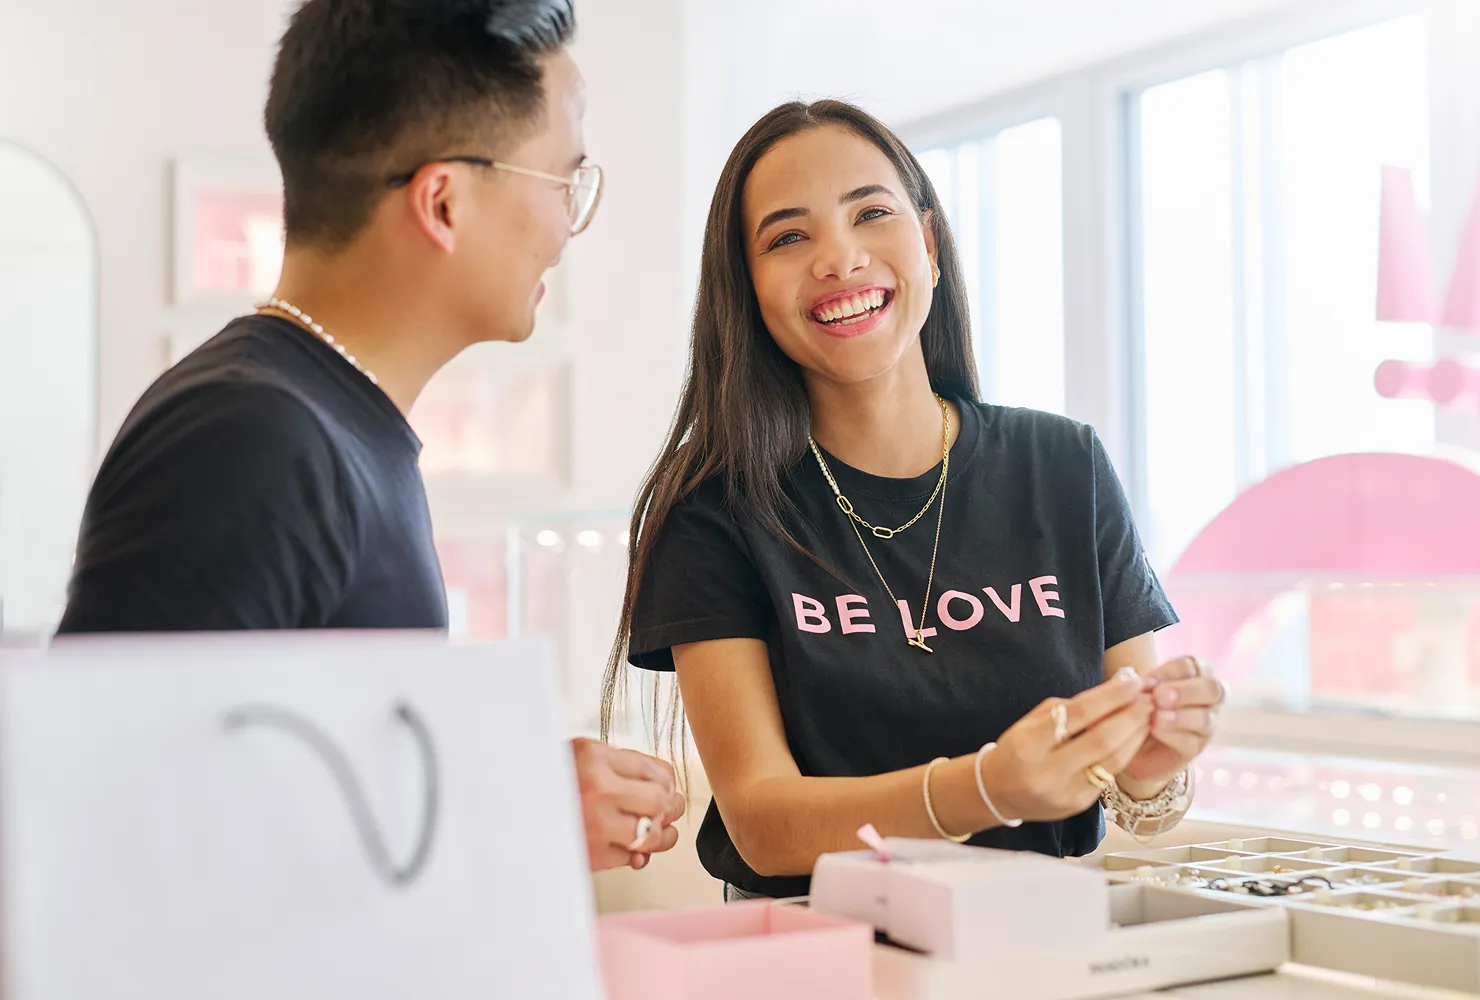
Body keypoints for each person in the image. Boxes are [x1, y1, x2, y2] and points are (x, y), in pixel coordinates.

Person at [57, 0, 682, 874]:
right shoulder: (247, 439)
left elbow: (288, 770)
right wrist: (503, 803)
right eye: (563, 184)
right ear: (444, 203)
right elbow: (110, 831)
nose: (564, 228)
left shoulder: (326, 422)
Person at [602, 100, 1225, 901]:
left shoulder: (1063, 463)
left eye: (872, 214)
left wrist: (1147, 768)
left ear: (927, 245)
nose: (840, 258)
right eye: (789, 237)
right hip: (812, 955)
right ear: (747, 288)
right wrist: (984, 788)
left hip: (1043, 943)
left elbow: (1140, 798)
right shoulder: (713, 508)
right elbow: (761, 820)